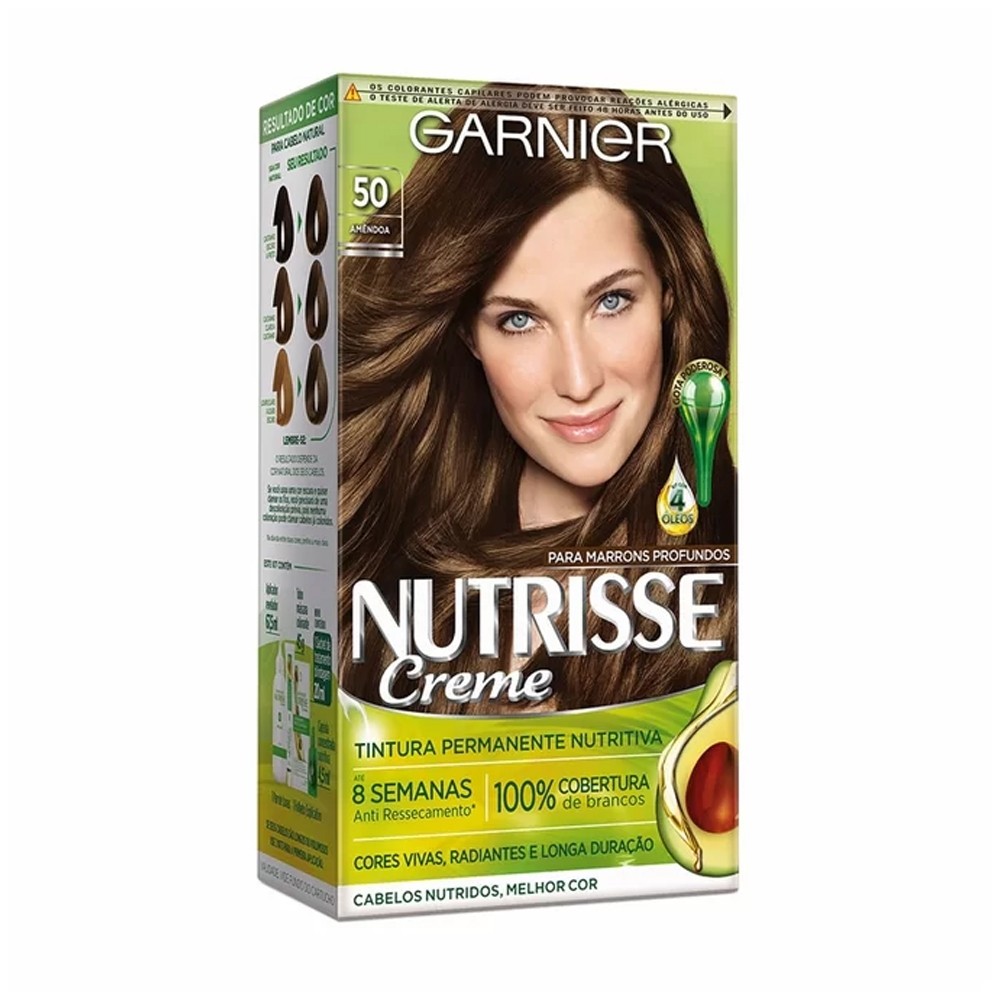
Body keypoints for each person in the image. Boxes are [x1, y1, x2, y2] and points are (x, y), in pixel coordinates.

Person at [338, 90, 736, 713]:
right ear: (468, 333)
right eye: (519, 320)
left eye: (612, 302)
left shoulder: (739, 570)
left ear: (669, 290)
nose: (578, 380)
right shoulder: (383, 581)